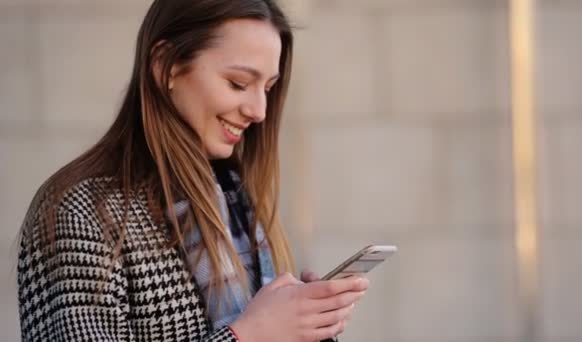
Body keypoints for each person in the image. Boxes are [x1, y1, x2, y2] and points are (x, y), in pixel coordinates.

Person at [16, 0, 368, 341]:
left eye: (268, 88)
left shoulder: (235, 200)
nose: (260, 110)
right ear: (165, 66)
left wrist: (304, 325)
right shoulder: (81, 211)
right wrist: (250, 334)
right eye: (238, 83)